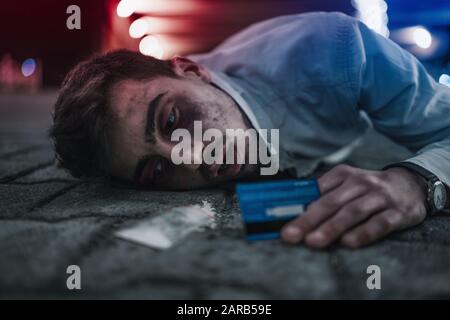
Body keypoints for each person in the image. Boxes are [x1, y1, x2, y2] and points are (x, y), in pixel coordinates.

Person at [50, 12, 450, 249]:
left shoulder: (335, 50)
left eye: (171, 120)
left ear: (192, 70)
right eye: (156, 171)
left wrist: (417, 181)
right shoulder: (174, 92)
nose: (193, 158)